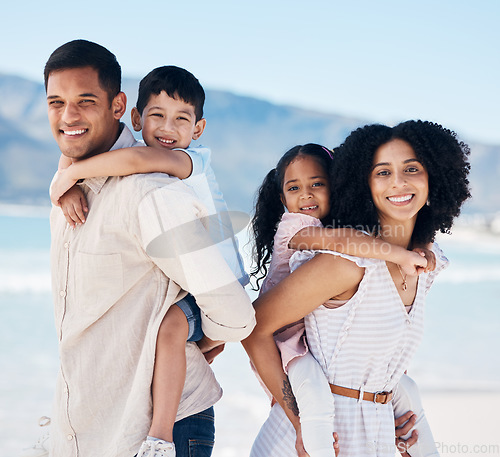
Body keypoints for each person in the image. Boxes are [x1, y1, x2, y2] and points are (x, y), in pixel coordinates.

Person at [40, 39, 256, 457]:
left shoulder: (152, 193)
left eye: (85, 100)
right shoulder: (70, 191)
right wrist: (63, 183)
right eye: (56, 102)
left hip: (163, 430)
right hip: (97, 429)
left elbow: (235, 313)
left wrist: (204, 333)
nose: (68, 115)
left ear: (119, 106)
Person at [243, 121, 470, 457]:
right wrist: (299, 422)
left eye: (412, 168)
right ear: (362, 182)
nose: (398, 181)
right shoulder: (344, 264)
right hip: (305, 445)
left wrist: (385, 403)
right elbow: (253, 329)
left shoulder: (426, 264)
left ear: (434, 177)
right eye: (382, 172)